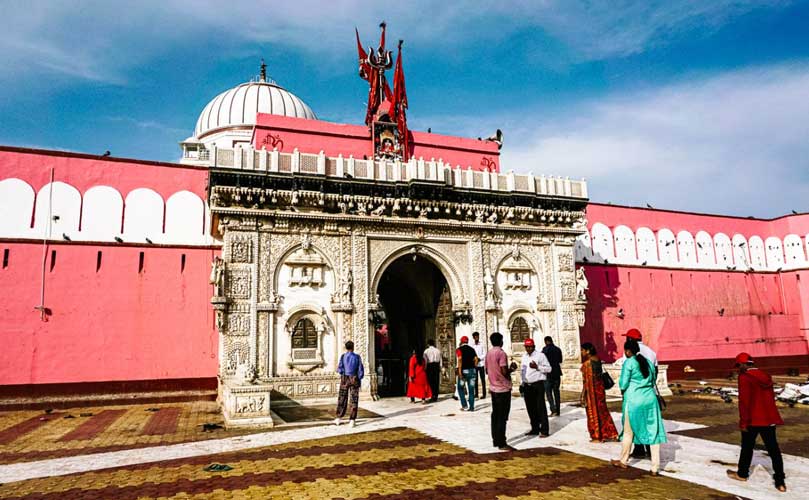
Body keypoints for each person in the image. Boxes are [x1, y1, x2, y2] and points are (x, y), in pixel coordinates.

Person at [726, 353, 786, 492]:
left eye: (739, 365)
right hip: (768, 419)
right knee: (774, 450)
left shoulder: (745, 378)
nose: (738, 369)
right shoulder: (765, 376)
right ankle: (780, 482)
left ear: (744, 364)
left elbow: (745, 402)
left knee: (747, 448)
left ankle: (742, 474)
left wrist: (743, 422)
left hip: (753, 419)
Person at [611, 339, 666, 475]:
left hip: (634, 400)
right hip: (650, 400)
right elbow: (653, 379)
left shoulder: (629, 362)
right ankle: (655, 467)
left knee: (628, 431)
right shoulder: (647, 362)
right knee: (653, 432)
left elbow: (623, 384)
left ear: (628, 351)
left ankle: (623, 460)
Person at [623, 328, 658, 459]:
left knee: (634, 422)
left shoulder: (629, 354)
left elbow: (625, 378)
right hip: (649, 394)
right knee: (648, 423)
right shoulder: (651, 353)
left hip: (634, 395)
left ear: (630, 340)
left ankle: (638, 449)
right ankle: (650, 450)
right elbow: (655, 373)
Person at [486, 332, 519, 450]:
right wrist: (512, 369)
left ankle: (495, 439)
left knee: (495, 415)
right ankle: (501, 442)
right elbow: (504, 371)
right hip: (503, 388)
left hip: (494, 387)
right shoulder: (501, 353)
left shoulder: (488, 353)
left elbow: (486, 370)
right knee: (502, 416)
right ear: (500, 341)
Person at [580, 342, 618, 442]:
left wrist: (583, 395)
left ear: (588, 351)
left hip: (592, 393)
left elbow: (586, 382)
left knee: (594, 412)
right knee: (603, 412)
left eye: (583, 350)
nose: (581, 352)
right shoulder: (597, 360)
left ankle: (597, 436)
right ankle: (610, 433)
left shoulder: (587, 364)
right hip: (600, 391)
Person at [520, 338, 552, 437]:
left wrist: (537, 367)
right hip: (527, 385)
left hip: (537, 384)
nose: (528, 349)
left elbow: (549, 369)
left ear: (533, 347)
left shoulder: (540, 356)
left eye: (530, 347)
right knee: (530, 408)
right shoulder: (524, 357)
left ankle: (544, 430)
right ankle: (535, 428)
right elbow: (523, 371)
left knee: (540, 407)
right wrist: (522, 383)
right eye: (527, 347)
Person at [335, 340, 364, 427]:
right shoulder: (357, 357)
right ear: (353, 347)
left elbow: (340, 368)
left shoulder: (343, 356)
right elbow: (360, 369)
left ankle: (338, 418)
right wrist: (359, 377)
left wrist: (343, 372)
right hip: (354, 378)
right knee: (354, 399)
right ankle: (352, 420)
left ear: (346, 347)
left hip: (345, 378)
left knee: (342, 398)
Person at [456, 336, 479, 411]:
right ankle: (471, 407)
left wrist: (459, 371)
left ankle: (464, 405)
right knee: (471, 389)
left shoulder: (459, 350)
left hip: (464, 372)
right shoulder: (472, 349)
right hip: (472, 371)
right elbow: (476, 359)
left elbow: (459, 359)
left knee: (460, 388)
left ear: (461, 341)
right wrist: (474, 366)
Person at [542, 336, 563, 416]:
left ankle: (553, 410)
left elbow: (542, 361)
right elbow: (560, 360)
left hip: (548, 374)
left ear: (546, 341)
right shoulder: (558, 349)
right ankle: (558, 410)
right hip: (557, 373)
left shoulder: (545, 350)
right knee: (556, 392)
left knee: (549, 393)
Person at [472, 332, 487, 398]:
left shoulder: (482, 344)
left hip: (481, 364)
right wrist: (475, 359)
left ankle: (484, 394)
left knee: (482, 379)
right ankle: (476, 393)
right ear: (473, 337)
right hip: (475, 364)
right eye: (475, 336)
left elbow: (484, 353)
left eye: (477, 336)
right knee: (475, 379)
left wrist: (479, 358)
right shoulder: (472, 345)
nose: (476, 337)